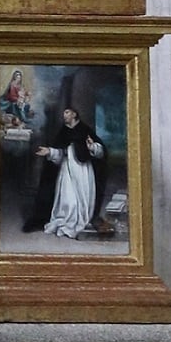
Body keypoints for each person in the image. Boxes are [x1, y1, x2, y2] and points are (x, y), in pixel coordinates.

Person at [34, 103, 107, 242]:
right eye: (64, 113)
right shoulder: (63, 131)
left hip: (83, 169)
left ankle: (80, 221)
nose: (64, 115)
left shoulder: (85, 130)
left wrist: (92, 146)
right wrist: (50, 151)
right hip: (67, 169)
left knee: (82, 198)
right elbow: (60, 152)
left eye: (67, 112)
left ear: (74, 114)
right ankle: (65, 222)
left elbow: (100, 150)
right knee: (67, 198)